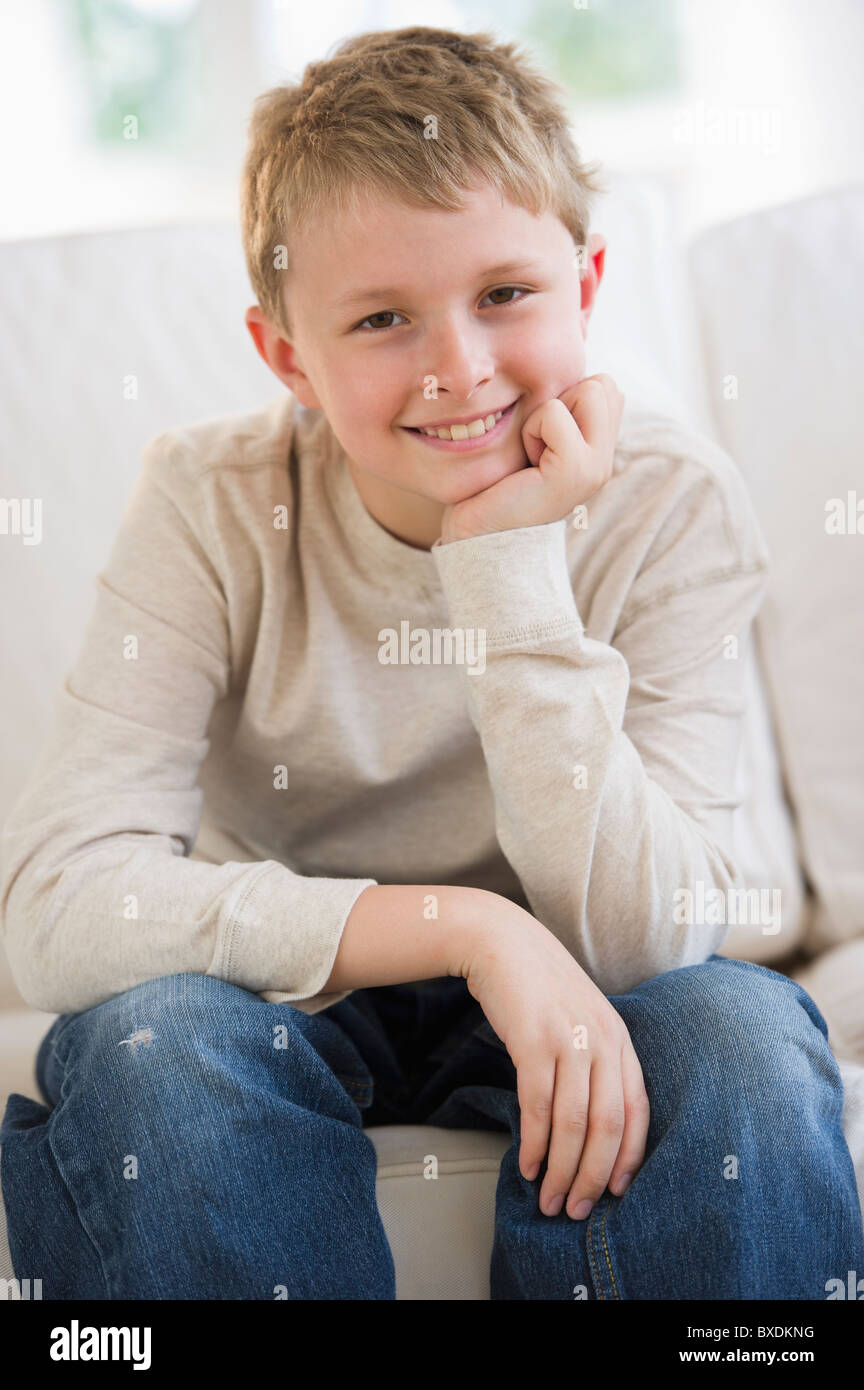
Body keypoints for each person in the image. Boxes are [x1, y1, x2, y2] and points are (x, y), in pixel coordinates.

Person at [1, 25, 861, 1300]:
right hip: (295, 986)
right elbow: (61, 903)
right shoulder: (209, 500)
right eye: (383, 318)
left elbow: (658, 937)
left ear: (588, 283)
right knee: (153, 1047)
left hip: (591, 986)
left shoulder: (669, 501)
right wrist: (469, 928)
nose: (460, 369)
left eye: (506, 293)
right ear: (288, 355)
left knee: (734, 1033)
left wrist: (507, 568)